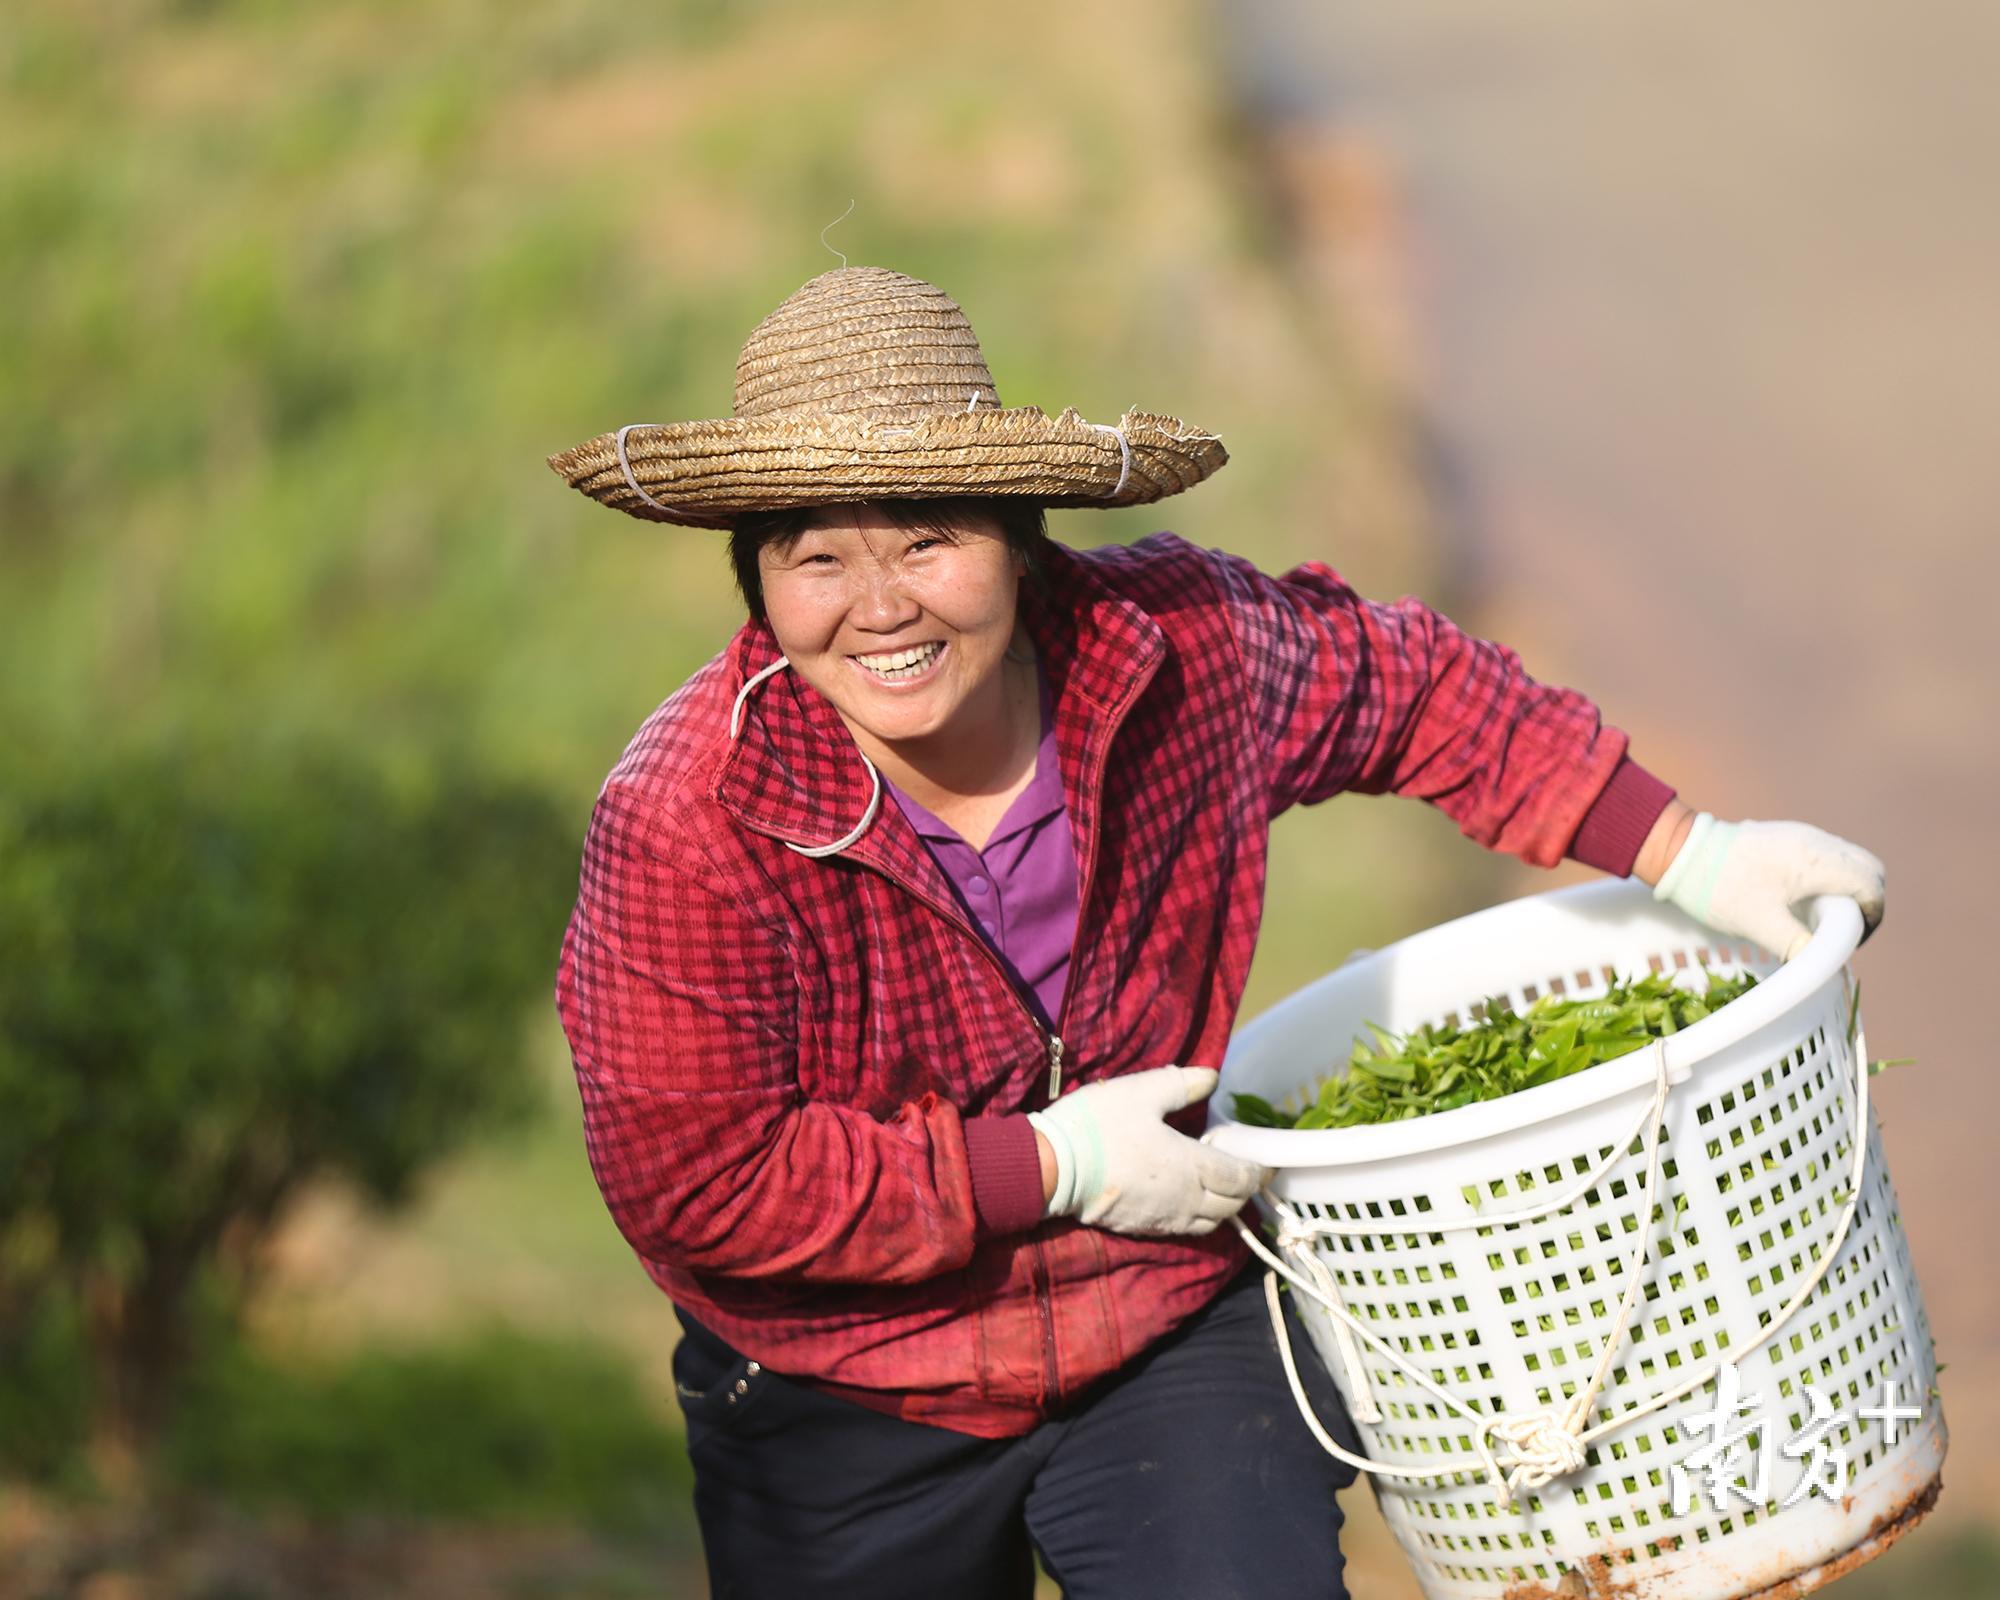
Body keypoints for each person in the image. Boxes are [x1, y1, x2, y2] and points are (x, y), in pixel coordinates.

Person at [546, 266, 1885, 1599]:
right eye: (817, 557)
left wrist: (1688, 851)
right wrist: (1054, 1164)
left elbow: (1410, 690)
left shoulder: (1170, 653)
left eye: (927, 539)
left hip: (1159, 1316)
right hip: (849, 1381)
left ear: (1018, 538)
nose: (882, 606)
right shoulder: (691, 823)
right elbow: (706, 1182)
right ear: (759, 591)